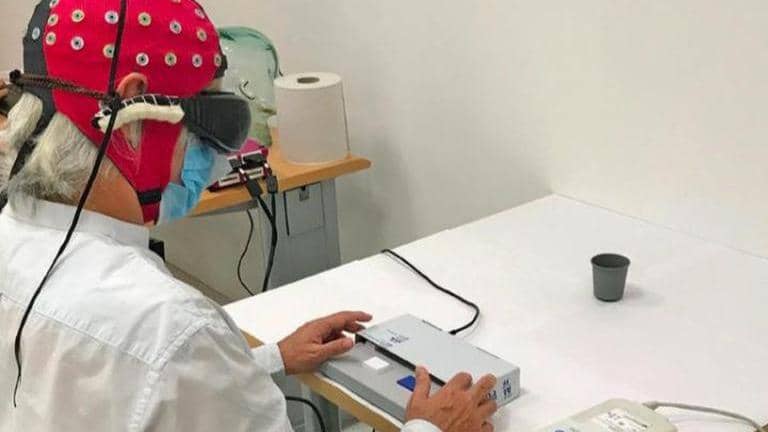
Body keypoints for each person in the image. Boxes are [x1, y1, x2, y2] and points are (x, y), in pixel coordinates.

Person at [0, 1, 498, 431]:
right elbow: (163, 368)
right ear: (135, 112)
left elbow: (132, 395)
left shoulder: (13, 243)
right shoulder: (170, 330)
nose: (213, 160)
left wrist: (258, 361)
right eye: (203, 126)